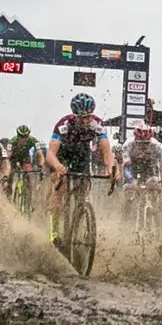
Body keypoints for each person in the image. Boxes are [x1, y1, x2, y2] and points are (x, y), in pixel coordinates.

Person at [44, 93, 116, 246]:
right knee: (60, 189)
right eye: (81, 117)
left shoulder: (96, 124)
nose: (85, 121)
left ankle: (79, 221)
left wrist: (110, 168)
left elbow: (106, 149)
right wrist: (58, 166)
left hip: (82, 152)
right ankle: (54, 233)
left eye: (88, 117)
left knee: (82, 190)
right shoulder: (63, 124)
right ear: (74, 115)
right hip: (63, 153)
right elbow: (50, 153)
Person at [120, 122, 162, 219]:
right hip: (133, 164)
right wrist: (132, 181)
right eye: (140, 143)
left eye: (146, 143)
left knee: (154, 184)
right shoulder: (128, 145)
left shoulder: (157, 146)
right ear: (135, 139)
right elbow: (126, 168)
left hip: (149, 163)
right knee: (128, 189)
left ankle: (157, 212)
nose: (143, 146)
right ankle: (126, 214)